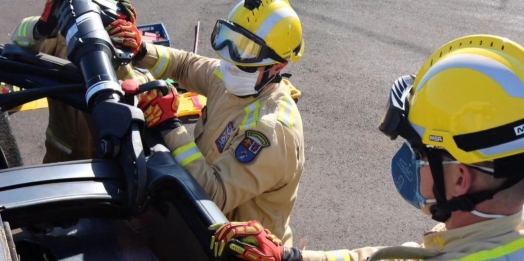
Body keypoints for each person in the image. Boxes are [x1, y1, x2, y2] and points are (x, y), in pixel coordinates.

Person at [208, 34, 524, 261]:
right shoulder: (497, 235)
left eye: (420, 152)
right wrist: (290, 257)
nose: (410, 161)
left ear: (459, 179)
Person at [107, 0, 305, 246]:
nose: (230, 56)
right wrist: (142, 51)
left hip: (241, 249)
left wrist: (169, 126)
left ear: (279, 66)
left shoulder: (272, 130)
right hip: (203, 227)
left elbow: (214, 195)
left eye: (245, 50)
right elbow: (185, 65)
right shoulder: (234, 77)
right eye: (229, 39)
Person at [10, 0, 154, 163]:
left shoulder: (128, 44)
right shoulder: (63, 39)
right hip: (61, 157)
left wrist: (121, 56)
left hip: (111, 161)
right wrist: (41, 28)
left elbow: (141, 92)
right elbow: (19, 40)